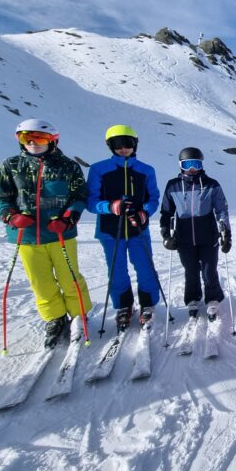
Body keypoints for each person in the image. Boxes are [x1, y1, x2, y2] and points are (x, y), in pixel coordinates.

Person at [0, 119, 92, 348]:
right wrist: (11, 217)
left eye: (40, 138)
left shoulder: (68, 166)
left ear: (53, 141)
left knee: (70, 277)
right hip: (26, 236)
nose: (33, 143)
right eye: (26, 137)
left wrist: (68, 218)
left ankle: (79, 315)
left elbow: (79, 196)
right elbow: (0, 197)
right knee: (40, 282)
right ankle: (54, 318)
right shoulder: (11, 165)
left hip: (60, 234)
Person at [86, 125, 160, 330]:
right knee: (117, 271)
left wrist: (145, 212)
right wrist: (110, 206)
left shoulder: (146, 170)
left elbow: (153, 198)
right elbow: (91, 202)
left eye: (128, 144)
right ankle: (124, 306)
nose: (123, 149)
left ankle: (148, 304)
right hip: (110, 231)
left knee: (145, 267)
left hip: (138, 229)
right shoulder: (99, 169)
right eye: (118, 145)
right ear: (110, 145)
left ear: (135, 144)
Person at [160, 148, 230, 322]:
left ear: (201, 164)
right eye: (187, 164)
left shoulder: (211, 184)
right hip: (183, 237)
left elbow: (221, 210)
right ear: (181, 165)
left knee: (209, 270)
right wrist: (166, 235)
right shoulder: (173, 185)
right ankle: (192, 298)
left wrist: (226, 234)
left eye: (196, 164)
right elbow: (166, 213)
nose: (192, 168)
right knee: (190, 270)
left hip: (208, 235)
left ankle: (212, 298)